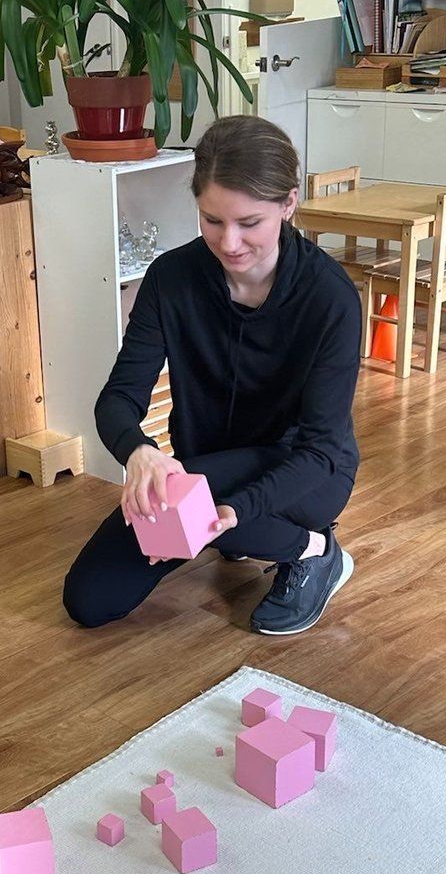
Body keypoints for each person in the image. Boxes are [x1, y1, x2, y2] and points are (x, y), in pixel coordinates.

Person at [63, 115, 361, 635]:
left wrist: (231, 512)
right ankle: (237, 532)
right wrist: (139, 452)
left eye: (250, 223)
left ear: (288, 204)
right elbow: (118, 397)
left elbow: (319, 450)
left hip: (307, 474)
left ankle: (314, 550)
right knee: (90, 600)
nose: (229, 243)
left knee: (229, 519)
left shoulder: (329, 296)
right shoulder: (171, 278)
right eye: (212, 220)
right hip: (205, 468)